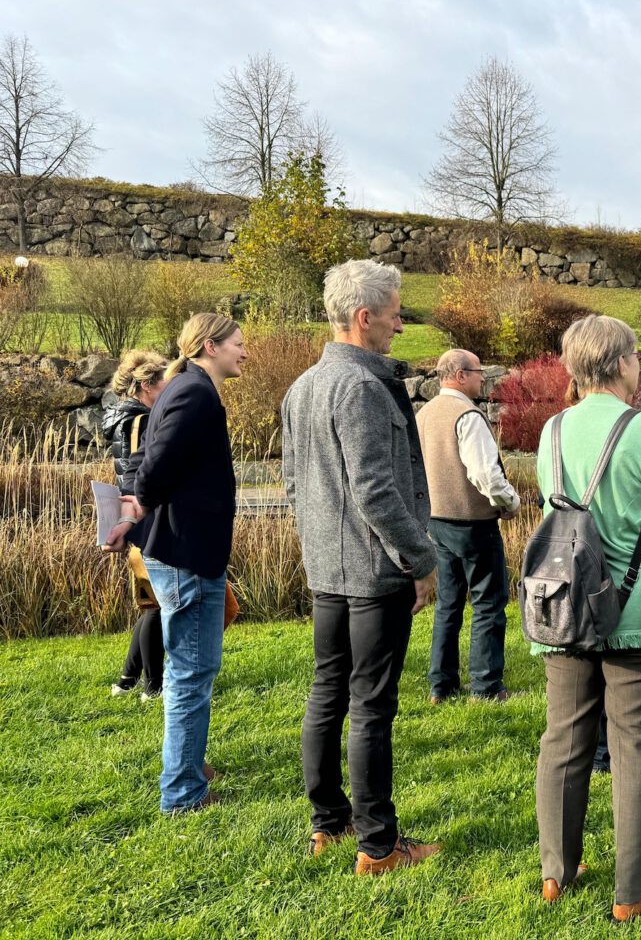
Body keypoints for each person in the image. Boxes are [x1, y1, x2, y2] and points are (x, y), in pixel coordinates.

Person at [531, 314, 641, 923]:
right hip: (634, 605)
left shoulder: (552, 429)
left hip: (565, 603)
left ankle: (558, 872)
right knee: (635, 746)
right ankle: (631, 891)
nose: (639, 365)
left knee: (565, 739)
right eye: (636, 355)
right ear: (621, 362)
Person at [282, 259, 441, 875]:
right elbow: (377, 492)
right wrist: (420, 559)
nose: (402, 325)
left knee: (328, 694)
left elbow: (294, 484)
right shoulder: (362, 388)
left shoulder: (304, 385)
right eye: (397, 313)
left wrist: (321, 543)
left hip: (328, 569)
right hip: (373, 574)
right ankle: (377, 845)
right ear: (365, 317)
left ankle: (329, 823)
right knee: (370, 705)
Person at [103, 313, 247, 815]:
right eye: (237, 344)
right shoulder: (193, 392)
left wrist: (132, 509)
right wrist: (134, 508)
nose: (243, 353)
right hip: (186, 551)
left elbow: (154, 463)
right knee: (190, 673)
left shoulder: (181, 387)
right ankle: (182, 793)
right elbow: (157, 462)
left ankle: (189, 767)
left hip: (188, 549)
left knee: (196, 669)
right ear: (211, 345)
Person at [416, 348, 519, 704]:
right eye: (478, 372)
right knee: (489, 602)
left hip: (436, 520)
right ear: (460, 375)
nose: (483, 378)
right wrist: (509, 503)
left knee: (448, 603)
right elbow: (485, 474)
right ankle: (487, 686)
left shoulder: (424, 413)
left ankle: (441, 686)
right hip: (473, 523)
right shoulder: (468, 415)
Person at [103, 350, 168, 700]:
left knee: (150, 600)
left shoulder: (123, 417)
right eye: (163, 382)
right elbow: (139, 472)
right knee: (156, 605)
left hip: (135, 515)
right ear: (145, 386)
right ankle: (153, 686)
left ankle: (128, 678)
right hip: (144, 515)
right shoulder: (141, 422)